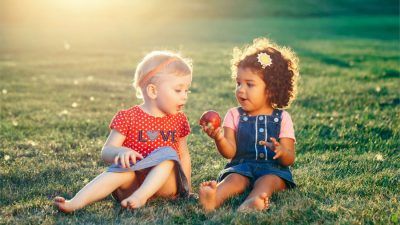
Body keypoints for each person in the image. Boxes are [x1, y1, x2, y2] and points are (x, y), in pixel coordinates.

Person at [54, 51, 193, 212]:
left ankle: (142, 197)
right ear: (153, 91)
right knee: (121, 172)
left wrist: (186, 189)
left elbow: (183, 155)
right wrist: (119, 152)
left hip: (165, 186)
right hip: (132, 186)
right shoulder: (128, 117)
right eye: (178, 90)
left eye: (186, 91)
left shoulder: (179, 120)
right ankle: (75, 203)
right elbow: (106, 151)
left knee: (168, 156)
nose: (184, 96)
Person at [199, 38, 299, 212]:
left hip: (273, 169)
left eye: (249, 84)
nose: (240, 90)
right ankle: (213, 199)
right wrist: (219, 138)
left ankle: (253, 201)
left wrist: (282, 151)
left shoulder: (282, 118)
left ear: (271, 90)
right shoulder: (234, 114)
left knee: (268, 181)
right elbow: (230, 152)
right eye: (238, 83)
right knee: (234, 180)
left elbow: (290, 158)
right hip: (241, 166)